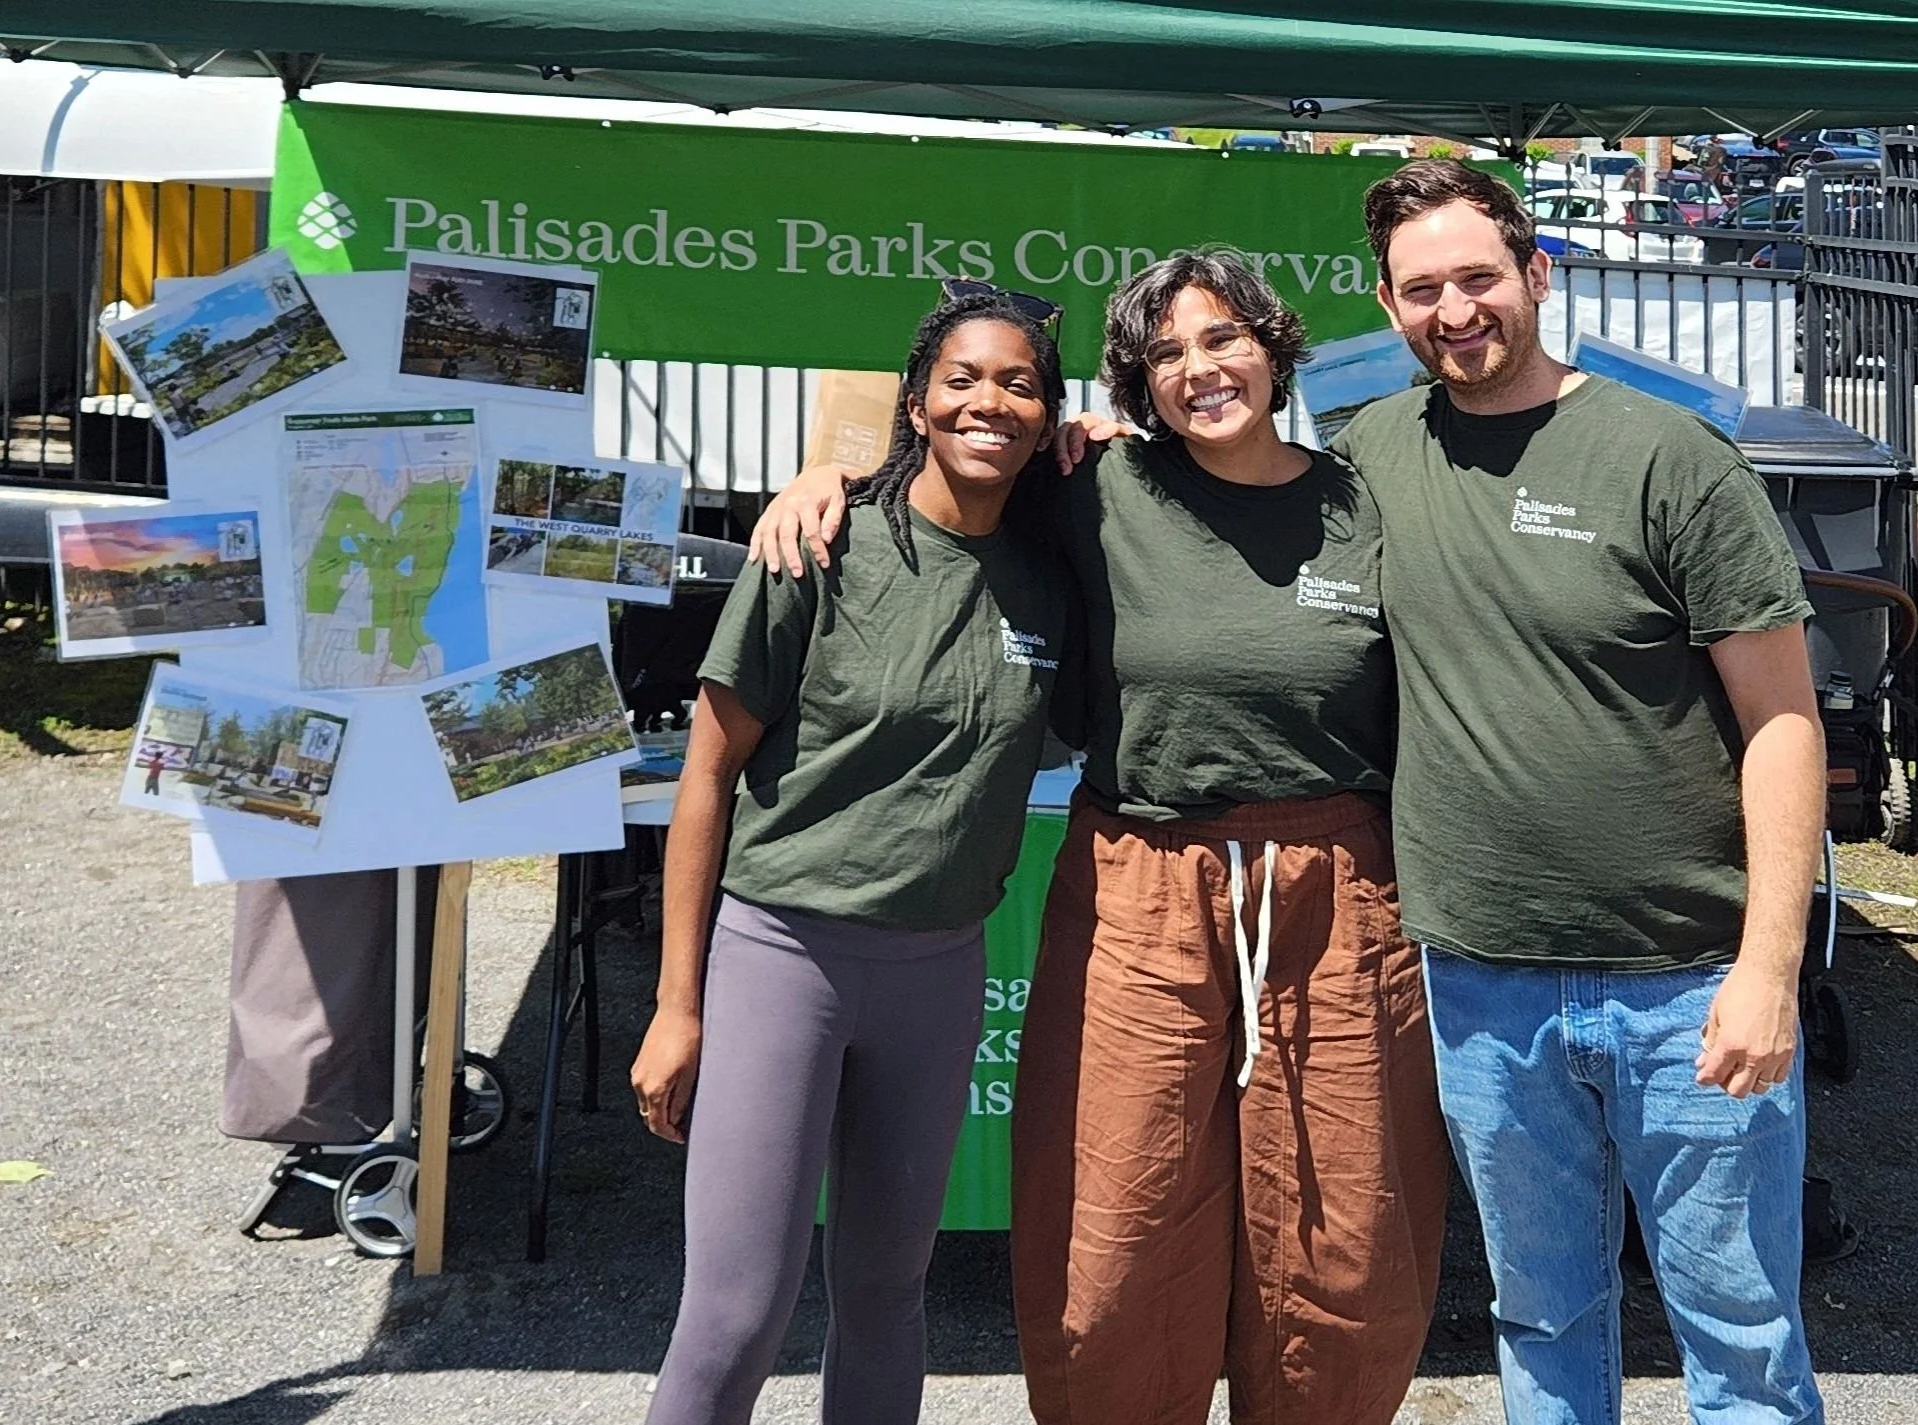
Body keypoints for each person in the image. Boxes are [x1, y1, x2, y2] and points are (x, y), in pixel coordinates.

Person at [752, 252, 1448, 1425]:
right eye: (1166, 353)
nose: (1200, 369)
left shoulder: (1362, 505)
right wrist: (828, 475)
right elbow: (954, 462)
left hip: (1335, 892)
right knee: (1117, 1227)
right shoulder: (1094, 487)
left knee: (1341, 1233)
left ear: (1273, 348)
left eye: (1222, 339)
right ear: (1137, 384)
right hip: (1141, 882)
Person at [1339, 162, 1825, 1424]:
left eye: (1479, 279)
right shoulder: (1372, 457)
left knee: (1742, 1336)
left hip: (1686, 985)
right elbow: (1212, 502)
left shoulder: (1669, 459)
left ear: (1539, 276)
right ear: (1387, 306)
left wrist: (1769, 970)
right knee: (1542, 1314)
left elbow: (1782, 720)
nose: (1455, 310)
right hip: (1485, 986)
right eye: (1422, 289)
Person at [629, 290, 1074, 1425]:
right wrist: (678, 1006)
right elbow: (705, 779)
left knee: (886, 1296)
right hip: (786, 958)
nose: (991, 402)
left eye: (1020, 383)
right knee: (736, 1311)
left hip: (938, 971)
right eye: (965, 379)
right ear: (917, 401)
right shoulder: (817, 548)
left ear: (1048, 410)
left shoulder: (1056, 580)